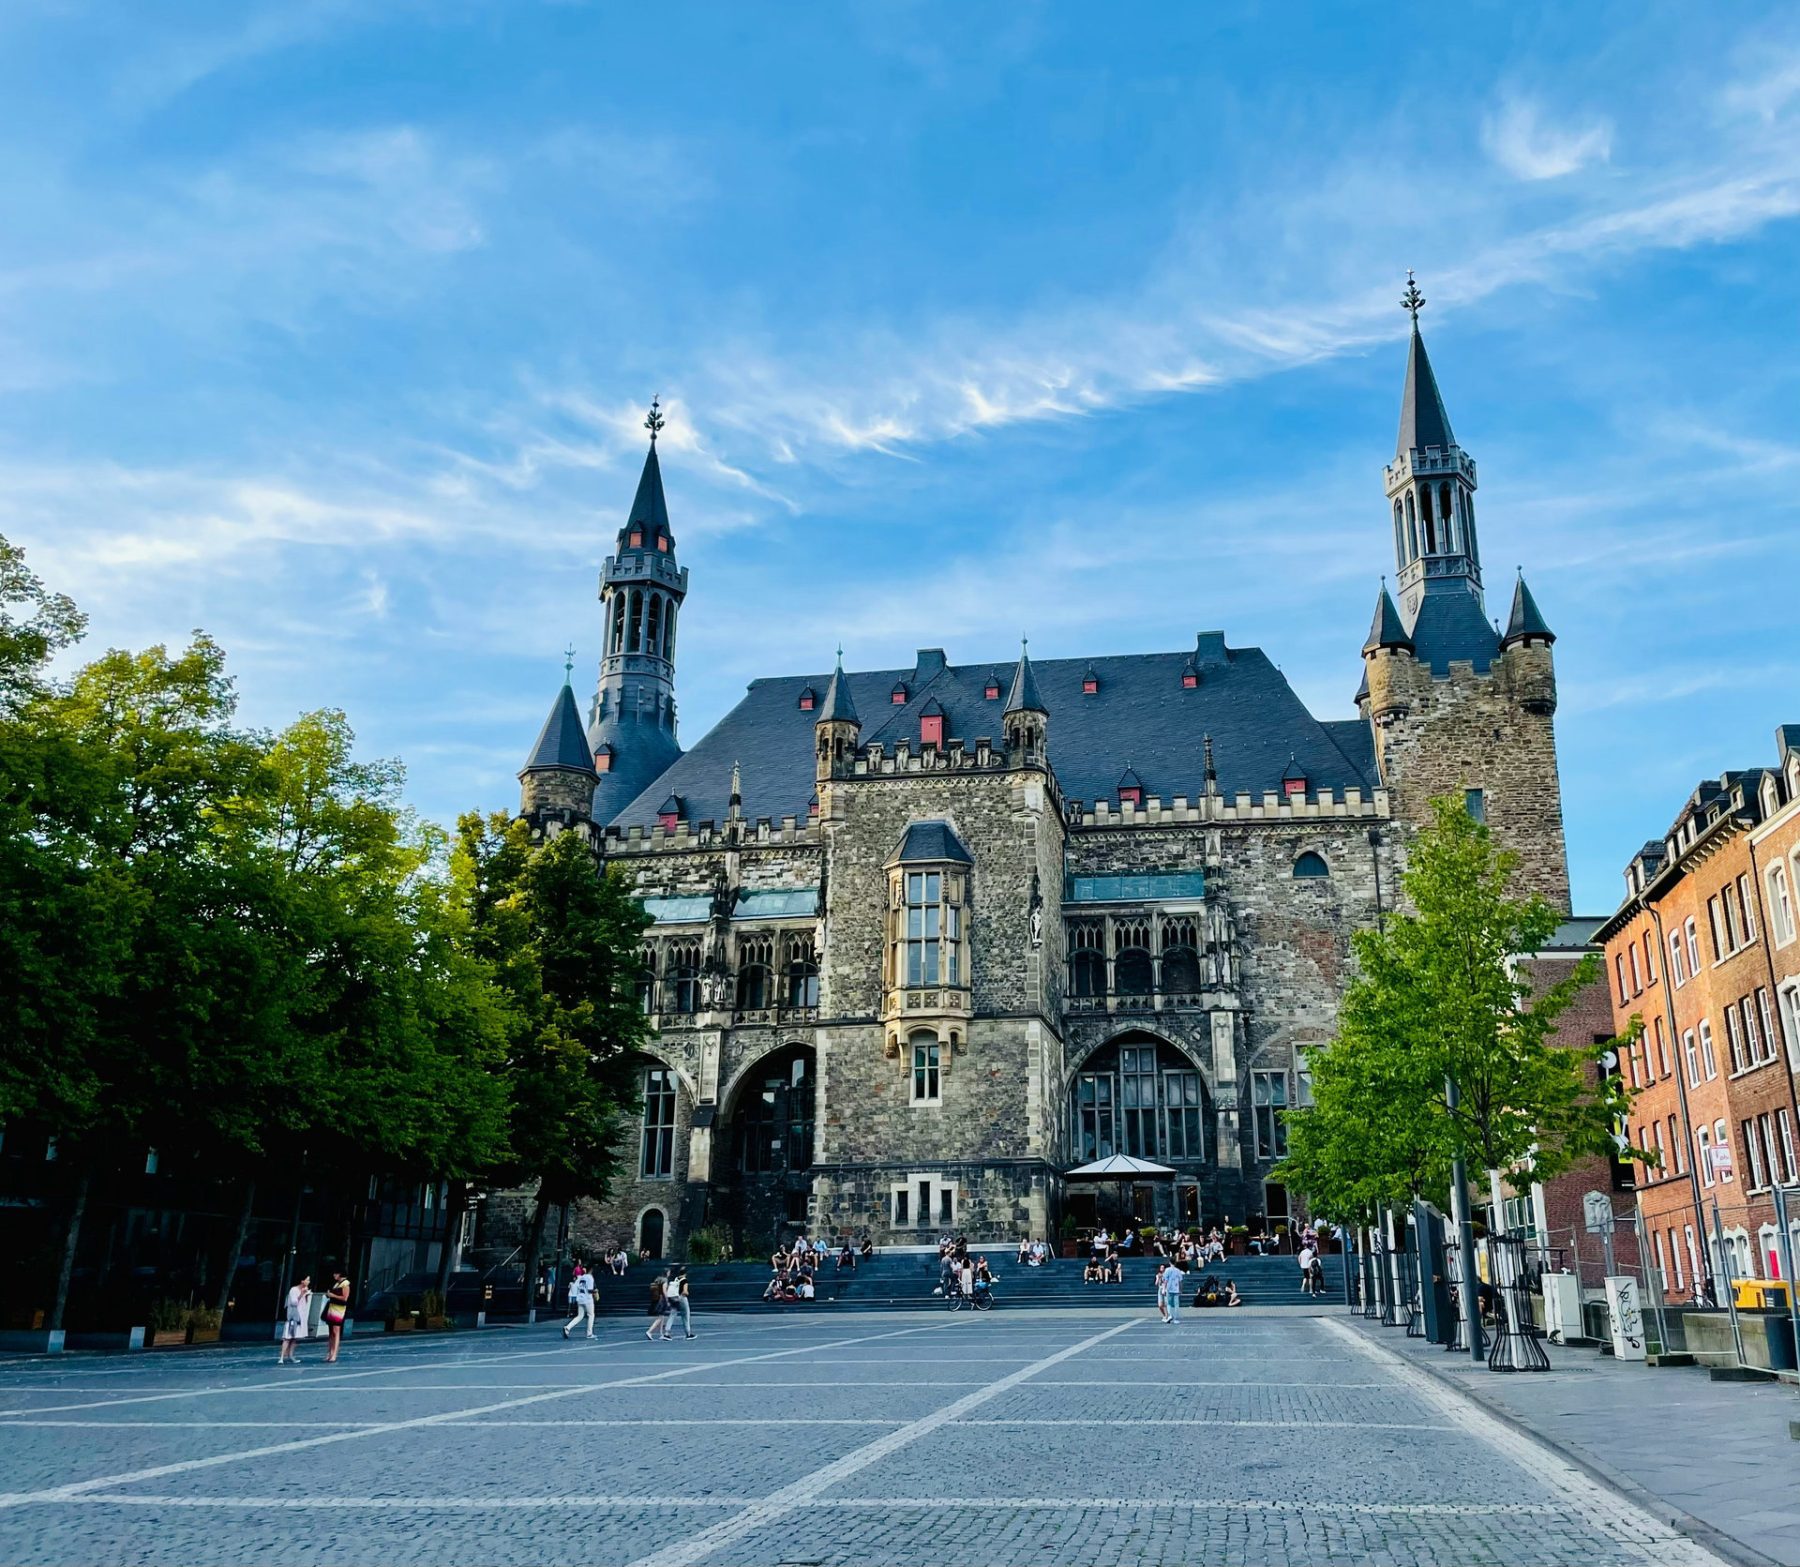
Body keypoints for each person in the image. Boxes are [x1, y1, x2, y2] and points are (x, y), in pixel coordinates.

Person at [278, 1274, 311, 1365]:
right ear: (302, 1281)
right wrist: (302, 1294)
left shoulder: (305, 1290)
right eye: (307, 1280)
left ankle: (291, 1355)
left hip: (301, 1316)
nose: (308, 1282)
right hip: (293, 1316)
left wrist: (306, 1295)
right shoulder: (294, 1290)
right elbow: (294, 1302)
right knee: (288, 1337)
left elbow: (305, 1303)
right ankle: (282, 1357)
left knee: (294, 1338)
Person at [323, 1271, 351, 1363]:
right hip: (332, 1307)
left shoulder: (345, 1284)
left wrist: (333, 1295)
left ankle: (334, 1353)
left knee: (336, 1331)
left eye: (336, 1273)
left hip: (339, 1309)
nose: (334, 1275)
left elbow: (344, 1298)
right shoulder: (336, 1284)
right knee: (331, 1332)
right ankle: (330, 1352)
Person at [565, 1266, 596, 1339]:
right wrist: (595, 1291)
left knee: (580, 1315)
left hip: (580, 1298)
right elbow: (589, 1290)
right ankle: (589, 1333)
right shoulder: (590, 1278)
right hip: (587, 1299)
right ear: (591, 1270)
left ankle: (568, 1327)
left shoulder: (582, 1277)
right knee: (591, 1315)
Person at [668, 1266, 694, 1339]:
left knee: (672, 1314)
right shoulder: (684, 1280)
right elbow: (685, 1291)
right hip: (682, 1298)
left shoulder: (676, 1279)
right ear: (686, 1273)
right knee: (685, 1316)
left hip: (674, 1298)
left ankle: (667, 1332)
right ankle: (688, 1334)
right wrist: (687, 1293)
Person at [646, 1272, 670, 1340]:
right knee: (660, 1317)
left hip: (657, 1299)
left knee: (662, 1317)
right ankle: (649, 1331)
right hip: (662, 1300)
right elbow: (664, 1290)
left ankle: (661, 1333)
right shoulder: (665, 1280)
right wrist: (667, 1300)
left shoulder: (657, 1280)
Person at [1164, 1258, 1184, 1324]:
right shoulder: (1178, 1270)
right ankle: (1175, 1319)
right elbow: (1180, 1281)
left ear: (1170, 1262)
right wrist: (1181, 1289)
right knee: (1176, 1304)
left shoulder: (1167, 1270)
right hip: (1176, 1289)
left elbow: (1165, 1280)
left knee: (1169, 1304)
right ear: (1175, 1263)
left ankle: (1170, 1315)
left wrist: (1164, 1289)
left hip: (1169, 1289)